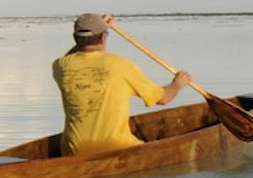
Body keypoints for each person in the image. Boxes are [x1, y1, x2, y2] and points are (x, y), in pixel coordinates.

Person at [50, 13, 190, 154]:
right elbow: (164, 98)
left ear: (75, 38)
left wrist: (92, 34)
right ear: (104, 37)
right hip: (118, 147)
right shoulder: (121, 65)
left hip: (74, 151)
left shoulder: (61, 67)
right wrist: (177, 84)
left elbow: (70, 56)